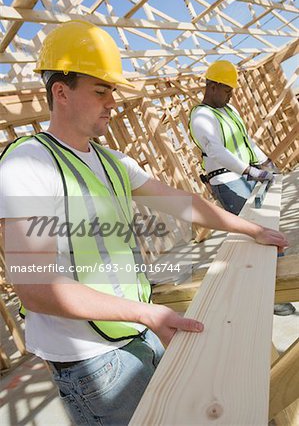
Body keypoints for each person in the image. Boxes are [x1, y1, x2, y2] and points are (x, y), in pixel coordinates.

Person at [0, 22, 288, 426]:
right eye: (100, 91)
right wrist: (145, 314)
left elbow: (182, 202)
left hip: (134, 328)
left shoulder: (110, 160)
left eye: (112, 91)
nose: (111, 102)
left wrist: (250, 228)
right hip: (90, 361)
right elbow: (34, 286)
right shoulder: (28, 163)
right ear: (60, 92)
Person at [189, 60, 295, 317]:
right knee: (255, 236)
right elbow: (215, 150)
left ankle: (274, 289)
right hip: (227, 182)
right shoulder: (201, 115)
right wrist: (250, 171)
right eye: (226, 90)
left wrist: (266, 163)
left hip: (247, 175)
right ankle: (268, 297)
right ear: (212, 86)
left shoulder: (229, 110)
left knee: (268, 231)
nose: (230, 95)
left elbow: (245, 141)